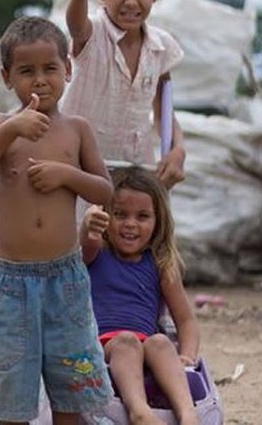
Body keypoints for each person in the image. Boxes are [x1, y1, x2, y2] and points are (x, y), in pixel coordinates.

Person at [0, 16, 114, 425]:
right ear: (6, 77)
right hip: (11, 282)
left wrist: (67, 175)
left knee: (72, 387)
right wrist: (12, 127)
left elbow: (104, 190)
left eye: (50, 68)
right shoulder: (1, 126)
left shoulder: (78, 130)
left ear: (68, 69)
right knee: (12, 390)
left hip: (65, 279)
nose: (40, 80)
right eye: (26, 71)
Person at [80, 167, 201, 425]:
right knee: (126, 341)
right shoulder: (96, 253)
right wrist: (89, 227)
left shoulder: (161, 264)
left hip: (146, 346)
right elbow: (84, 245)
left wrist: (187, 356)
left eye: (143, 216)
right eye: (120, 214)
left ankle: (188, 413)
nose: (130, 224)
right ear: (105, 216)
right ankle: (139, 411)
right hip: (101, 346)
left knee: (161, 342)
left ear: (158, 220)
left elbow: (186, 321)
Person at [64, 0, 186, 188]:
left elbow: (164, 109)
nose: (131, 2)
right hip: (79, 168)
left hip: (134, 170)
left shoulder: (161, 46)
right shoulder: (94, 32)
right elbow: (76, 27)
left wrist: (177, 149)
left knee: (130, 227)